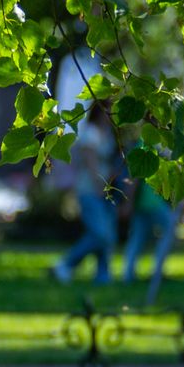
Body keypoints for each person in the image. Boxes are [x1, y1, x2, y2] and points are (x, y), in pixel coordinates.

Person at [49, 100, 118, 284]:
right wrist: (99, 186)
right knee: (100, 233)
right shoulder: (91, 134)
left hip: (104, 190)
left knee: (106, 234)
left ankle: (103, 275)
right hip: (90, 189)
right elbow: (90, 163)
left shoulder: (107, 134)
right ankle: (65, 264)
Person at [122, 179, 177, 296]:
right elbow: (134, 182)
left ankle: (128, 274)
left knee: (136, 239)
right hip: (153, 203)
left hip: (141, 204)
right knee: (169, 229)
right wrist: (128, 203)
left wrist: (129, 203)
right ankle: (157, 271)